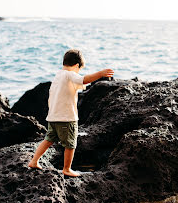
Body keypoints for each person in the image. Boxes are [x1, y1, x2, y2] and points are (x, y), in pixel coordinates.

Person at [28, 49, 114, 177]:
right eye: (79, 69)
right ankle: (66, 169)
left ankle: (34, 161)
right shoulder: (70, 74)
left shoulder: (58, 75)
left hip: (53, 117)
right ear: (77, 66)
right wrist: (100, 74)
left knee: (48, 139)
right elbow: (84, 80)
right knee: (70, 143)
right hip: (66, 118)